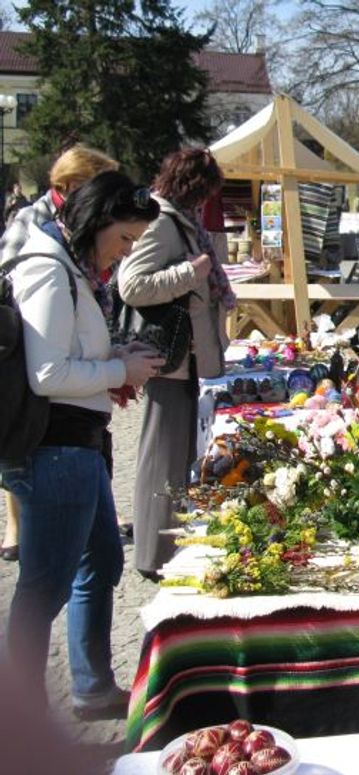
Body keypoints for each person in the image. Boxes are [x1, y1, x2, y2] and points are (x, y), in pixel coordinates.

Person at [2, 170, 164, 715]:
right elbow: (47, 374)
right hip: (55, 452)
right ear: (97, 222)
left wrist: (112, 372)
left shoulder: (68, 266)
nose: (124, 254)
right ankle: (20, 721)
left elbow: (67, 359)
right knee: (44, 586)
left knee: (99, 560)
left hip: (78, 446)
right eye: (124, 240)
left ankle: (92, 688)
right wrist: (118, 367)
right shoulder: (49, 270)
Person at [0, 145, 120, 564]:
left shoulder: (79, 229)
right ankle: (15, 524)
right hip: (35, 368)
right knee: (47, 573)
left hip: (73, 384)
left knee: (96, 561)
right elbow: (21, 289)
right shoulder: (36, 225)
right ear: (71, 187)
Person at [118, 149, 233, 579]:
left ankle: (167, 546)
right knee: (159, 459)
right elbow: (132, 285)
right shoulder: (163, 222)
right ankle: (152, 555)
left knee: (174, 458)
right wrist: (191, 271)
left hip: (183, 358)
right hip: (169, 358)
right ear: (193, 188)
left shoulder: (178, 220)